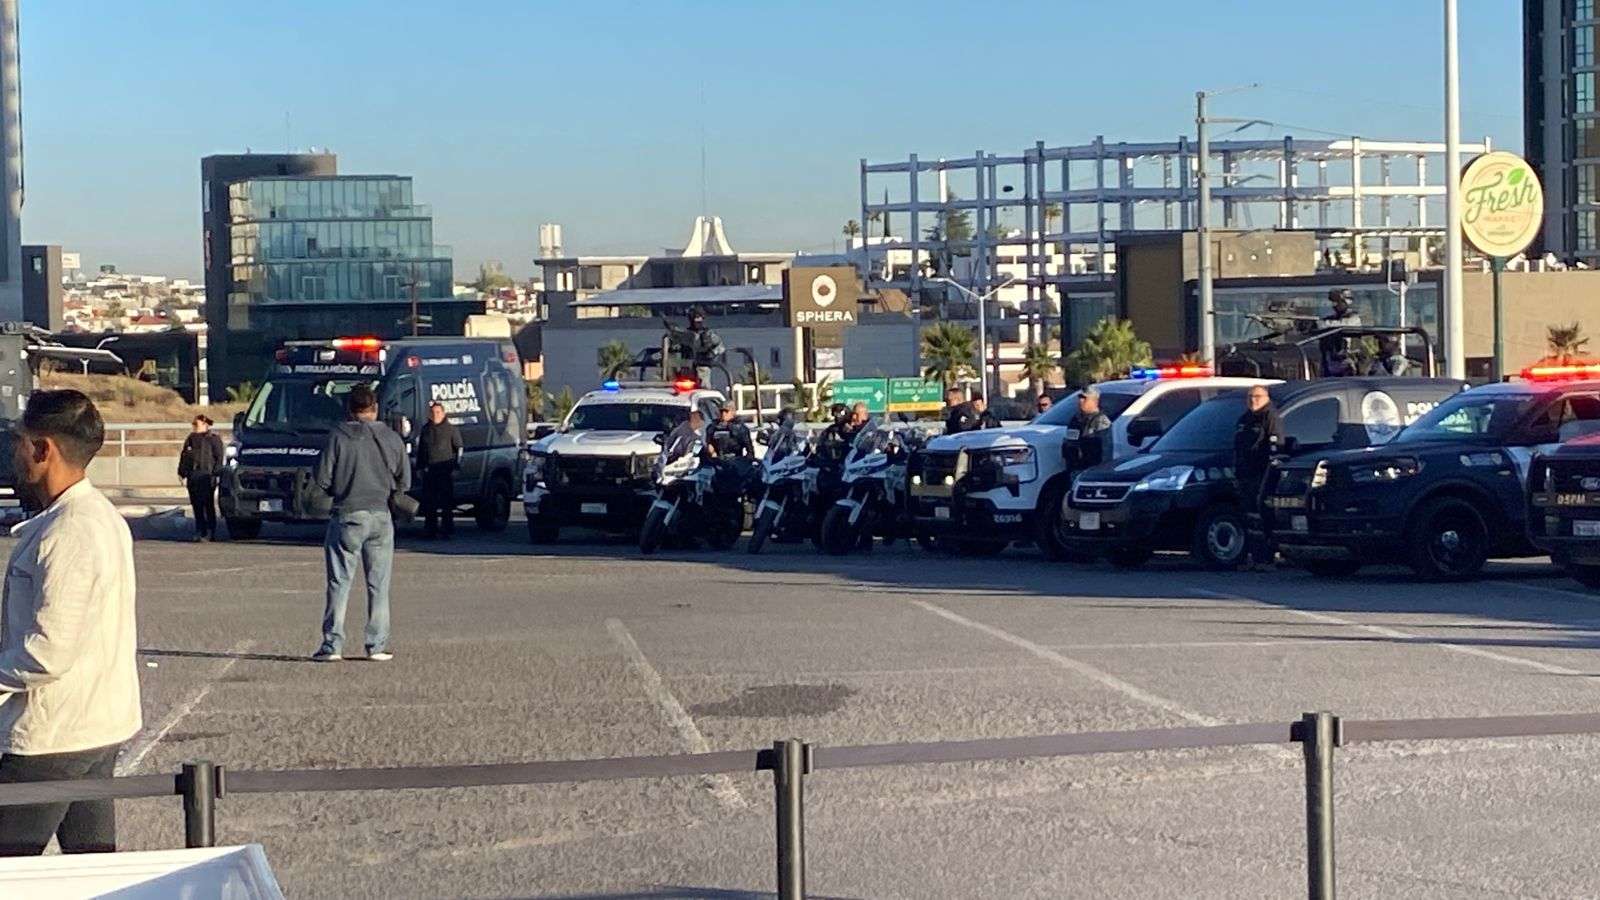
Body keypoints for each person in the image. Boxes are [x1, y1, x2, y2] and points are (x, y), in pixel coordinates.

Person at [0, 390, 140, 856]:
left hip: (53, 736)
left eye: (19, 440)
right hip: (96, 724)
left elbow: (47, 653)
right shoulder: (99, 515)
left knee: (7, 873)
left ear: (43, 449)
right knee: (92, 870)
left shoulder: (68, 531)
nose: (14, 452)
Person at [312, 385, 409, 663]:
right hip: (381, 514)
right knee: (378, 585)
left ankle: (333, 645)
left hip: (348, 514)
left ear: (349, 409)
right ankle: (376, 645)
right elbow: (405, 479)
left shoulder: (338, 437)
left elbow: (322, 478)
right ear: (375, 408)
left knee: (339, 582)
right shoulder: (390, 437)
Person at [1233, 385, 1284, 569]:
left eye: (1257, 396)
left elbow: (1276, 446)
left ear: (1266, 397)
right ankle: (1253, 556)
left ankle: (1267, 557)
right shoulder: (1244, 419)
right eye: (1250, 397)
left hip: (1262, 473)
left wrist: (1270, 470)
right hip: (1245, 474)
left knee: (1262, 516)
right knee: (1248, 517)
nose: (1253, 400)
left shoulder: (1270, 416)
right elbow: (1238, 448)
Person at [415, 402, 463, 540]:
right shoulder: (426, 430)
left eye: (438, 412)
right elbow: (421, 451)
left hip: (445, 472)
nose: (435, 415)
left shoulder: (451, 429)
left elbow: (459, 449)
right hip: (429, 472)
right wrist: (419, 468)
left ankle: (447, 529)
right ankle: (430, 529)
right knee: (429, 502)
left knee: (446, 503)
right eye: (432, 412)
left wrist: (456, 467)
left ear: (443, 413)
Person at [177, 414, 226, 542]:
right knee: (196, 504)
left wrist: (216, 473)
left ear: (205, 424)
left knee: (207, 504)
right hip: (193, 475)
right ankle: (200, 529)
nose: (194, 426)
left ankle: (210, 530)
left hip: (207, 475)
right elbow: (184, 456)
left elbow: (219, 458)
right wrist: (182, 472)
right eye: (193, 424)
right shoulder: (191, 438)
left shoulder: (213, 439)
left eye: (196, 424)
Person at [1062, 386, 1113, 472]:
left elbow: (1105, 451)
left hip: (1092, 470)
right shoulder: (1075, 420)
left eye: (1084, 398)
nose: (1080, 401)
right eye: (1080, 398)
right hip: (1074, 469)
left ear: (1094, 401)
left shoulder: (1101, 421)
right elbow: (1069, 443)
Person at [1320, 289, 1362, 376]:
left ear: (1346, 302)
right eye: (1333, 302)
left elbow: (1343, 325)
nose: (1334, 305)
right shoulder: (1332, 318)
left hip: (1349, 361)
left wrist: (1322, 324)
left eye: (1337, 302)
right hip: (1332, 361)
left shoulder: (1354, 318)